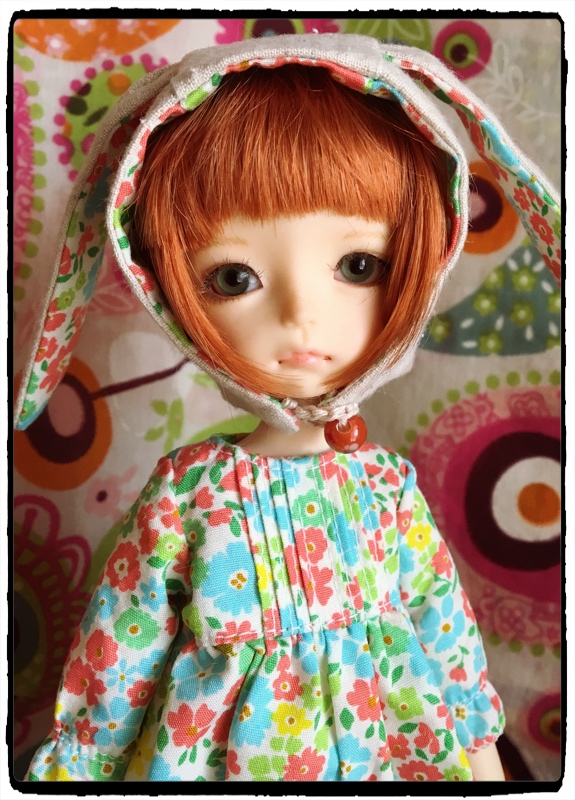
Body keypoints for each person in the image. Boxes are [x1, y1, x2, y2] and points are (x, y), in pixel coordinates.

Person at [21, 33, 559, 782]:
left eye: (358, 266)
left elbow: (444, 634)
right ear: (163, 289)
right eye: (233, 277)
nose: (302, 317)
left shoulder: (386, 487)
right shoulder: (189, 494)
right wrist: (80, 767)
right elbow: (123, 647)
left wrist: (476, 754)